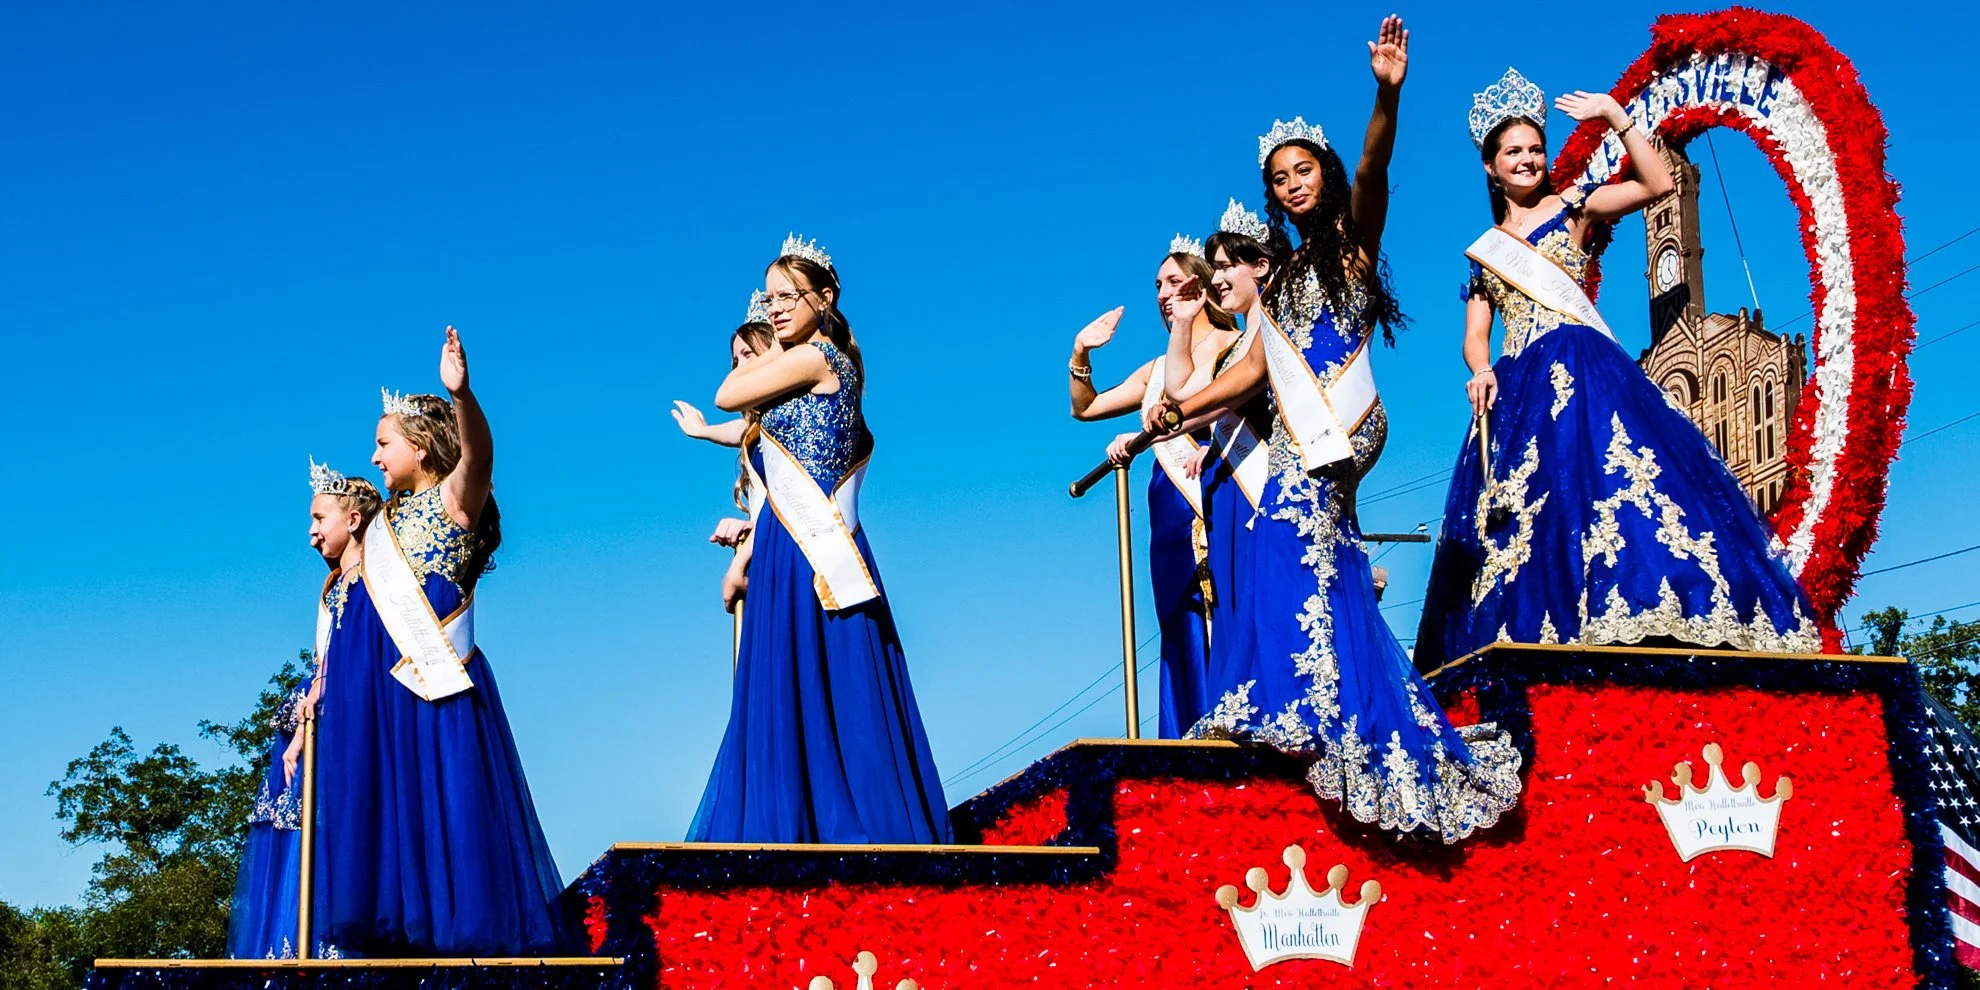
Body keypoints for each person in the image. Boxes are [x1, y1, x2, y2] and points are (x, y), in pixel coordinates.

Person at [1148, 17, 1521, 844]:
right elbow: (1249, 377)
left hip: (1337, 426)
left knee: (1292, 534)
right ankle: (1311, 703)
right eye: (1278, 179)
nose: (1292, 185)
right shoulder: (1275, 293)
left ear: (1323, 172)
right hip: (1294, 431)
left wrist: (1387, 92)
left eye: (1302, 169)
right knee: (1295, 547)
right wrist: (1189, 407)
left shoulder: (1350, 247)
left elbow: (1377, 170)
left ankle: (1309, 710)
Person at [1411, 69, 1820, 668]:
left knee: (1612, 483)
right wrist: (1481, 370)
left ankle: (1648, 610)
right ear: (1490, 168)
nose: (1527, 160)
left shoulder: (1574, 206)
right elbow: (1476, 338)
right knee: (1536, 512)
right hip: (1520, 384)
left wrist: (1614, 115)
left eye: (1534, 148)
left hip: (1583, 367)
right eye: (1513, 152)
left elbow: (1655, 183)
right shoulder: (1484, 252)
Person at [313, 327, 570, 956]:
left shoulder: (455, 501)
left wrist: (462, 396)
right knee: (395, 816)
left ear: (422, 445)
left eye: (383, 443)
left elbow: (479, 455)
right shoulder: (380, 525)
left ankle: (460, 946)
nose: (374, 458)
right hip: (386, 691)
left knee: (450, 811)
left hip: (440, 684)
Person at [687, 235, 952, 843]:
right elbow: (749, 425)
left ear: (824, 298)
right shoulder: (804, 366)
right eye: (771, 298)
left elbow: (730, 394)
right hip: (786, 541)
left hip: (813, 548)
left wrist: (756, 357)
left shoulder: (818, 357)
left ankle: (847, 815)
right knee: (791, 676)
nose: (774, 308)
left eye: (787, 297)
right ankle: (797, 814)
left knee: (835, 675)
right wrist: (710, 434)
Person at [1068, 239, 1240, 736]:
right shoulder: (1159, 368)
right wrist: (1081, 351)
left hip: (1208, 498)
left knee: (1215, 609)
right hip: (1164, 509)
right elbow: (1086, 407)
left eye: (1173, 281)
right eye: (1158, 286)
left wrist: (1158, 434)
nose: (1163, 294)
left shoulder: (1232, 346)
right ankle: (1185, 737)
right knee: (1177, 622)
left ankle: (1227, 733)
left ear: (1203, 285)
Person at [225, 461, 380, 959]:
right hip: (319, 713)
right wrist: (300, 727)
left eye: (319, 520)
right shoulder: (331, 588)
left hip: (352, 711)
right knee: (299, 827)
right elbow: (323, 662)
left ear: (351, 521)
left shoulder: (379, 582)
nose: (311, 533)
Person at [674, 293, 784, 548]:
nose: (739, 368)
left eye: (748, 354)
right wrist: (704, 430)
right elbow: (743, 430)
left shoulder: (796, 416)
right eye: (735, 361)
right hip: (767, 545)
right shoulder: (758, 429)